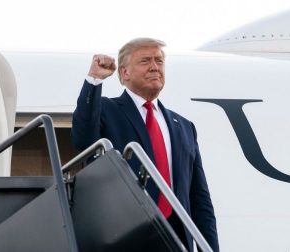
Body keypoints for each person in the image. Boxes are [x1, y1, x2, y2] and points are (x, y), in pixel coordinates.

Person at [71, 38, 219, 252]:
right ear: (124, 73)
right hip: (125, 236)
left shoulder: (184, 127)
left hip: (176, 239)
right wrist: (94, 80)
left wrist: (210, 248)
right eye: (145, 61)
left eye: (159, 61)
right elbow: (82, 139)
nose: (154, 67)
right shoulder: (106, 110)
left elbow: (200, 199)